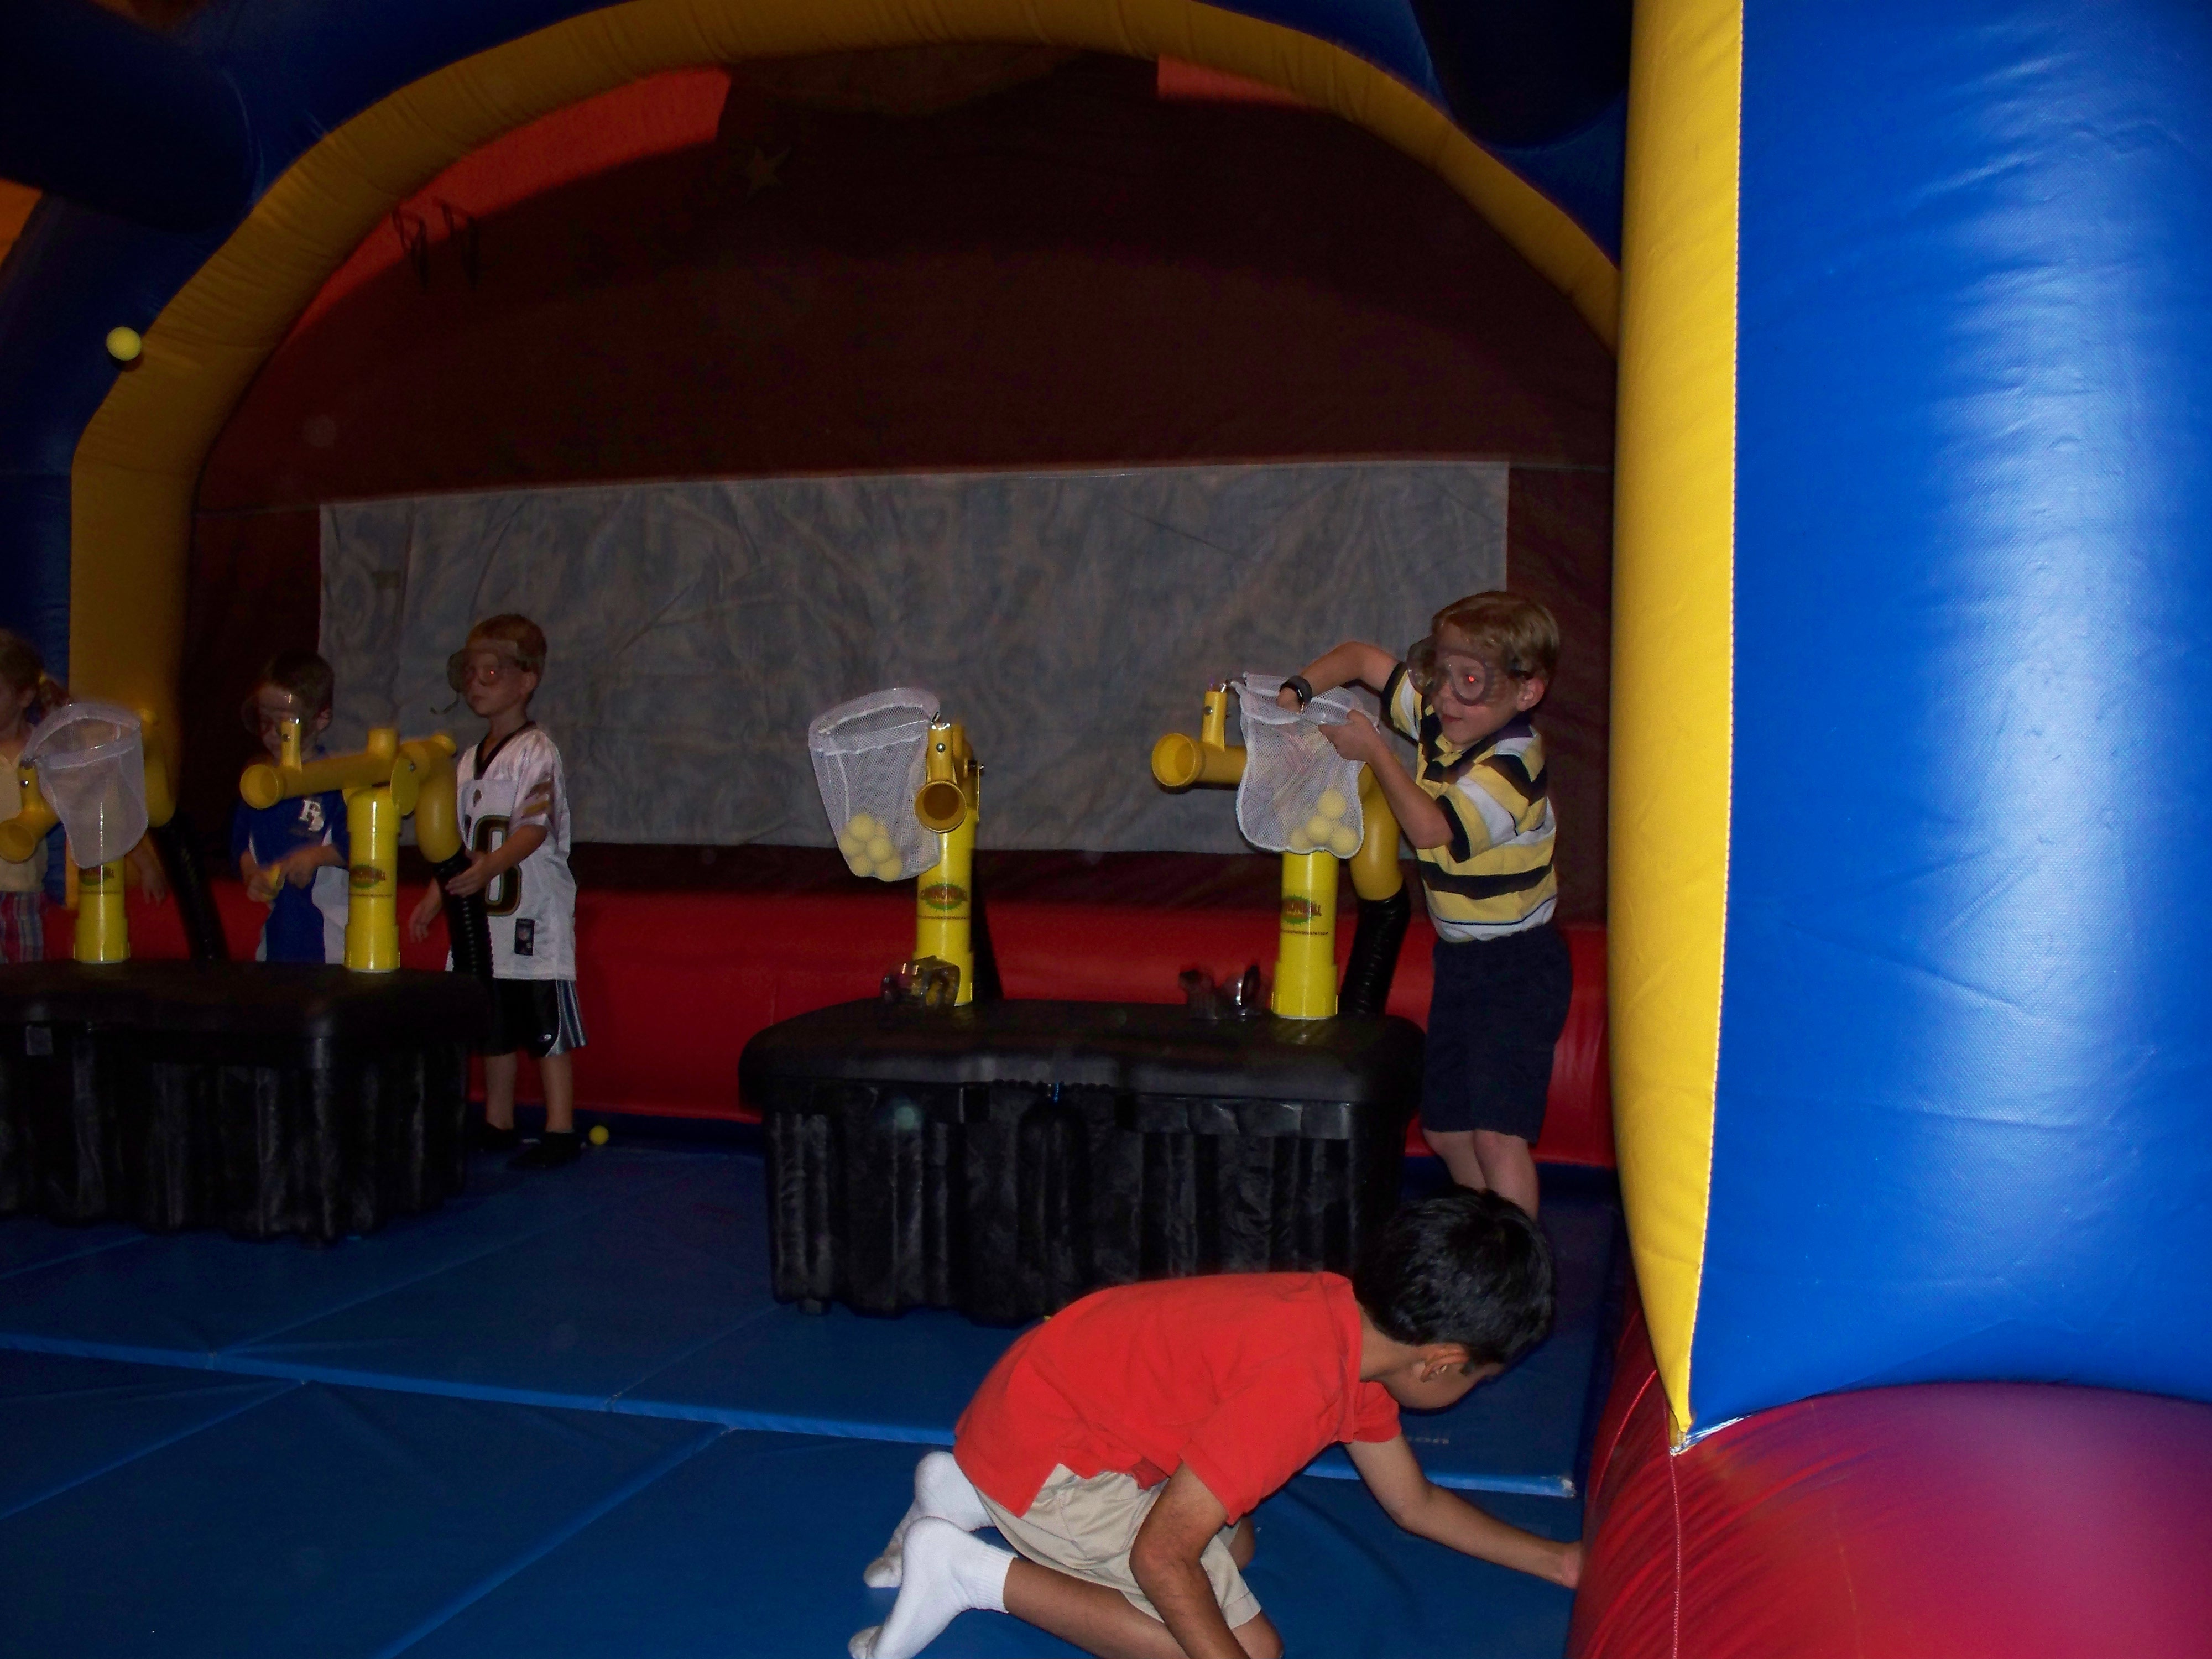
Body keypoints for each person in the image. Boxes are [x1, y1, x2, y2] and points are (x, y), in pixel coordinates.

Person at [852, 1190, 1574, 1659]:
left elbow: (1413, 1503)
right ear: (1440, 1363)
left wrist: (1558, 1561)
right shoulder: (1299, 1390)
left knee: (1239, 1541)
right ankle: (965, 1570)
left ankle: (962, 1489)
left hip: (1040, 1402)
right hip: (1053, 1461)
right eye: (1478, 1376)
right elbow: (1160, 1558)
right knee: (1249, 1649)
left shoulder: (1346, 1322)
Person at [1277, 593, 1568, 1217]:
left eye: (1472, 682)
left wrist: (1377, 752)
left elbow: (1432, 829)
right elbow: (1359, 658)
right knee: (1446, 1132)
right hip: (1462, 961)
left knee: (1496, 1137)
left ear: (1526, 692)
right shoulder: (1445, 714)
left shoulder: (1513, 765)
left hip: (1519, 967)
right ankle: (1480, 1239)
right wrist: (1295, 693)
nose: (1447, 696)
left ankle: (1514, 1260)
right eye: (1441, 671)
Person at [408, 614, 585, 1170]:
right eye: (471, 672)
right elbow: (454, 841)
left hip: (531, 915)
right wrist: (436, 896)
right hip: (484, 922)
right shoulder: (466, 763)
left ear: (526, 680)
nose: (477, 684)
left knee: (545, 1026)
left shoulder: (537, 752)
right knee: (494, 1026)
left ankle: (560, 1128)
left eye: (491, 672)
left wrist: (490, 868)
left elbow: (533, 829)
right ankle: (498, 1120)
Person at [0, 630, 168, 962]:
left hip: (21, 895)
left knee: (21, 979)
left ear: (24, 697)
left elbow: (96, 811)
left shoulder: (46, 752)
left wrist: (147, 865)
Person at [232, 650, 350, 964]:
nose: (272, 734)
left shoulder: (338, 781)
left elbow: (359, 847)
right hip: (277, 938)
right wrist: (252, 875)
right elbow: (241, 844)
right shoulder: (259, 782)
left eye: (285, 723)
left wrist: (315, 857)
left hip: (333, 942)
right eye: (264, 721)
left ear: (321, 719)